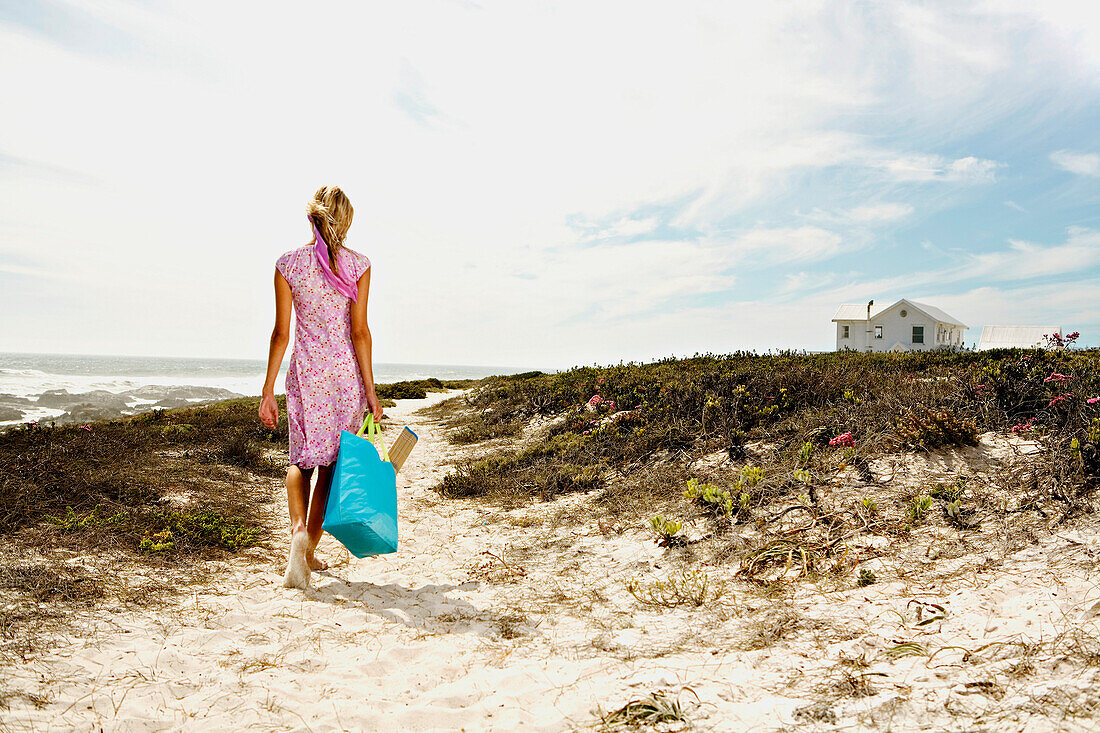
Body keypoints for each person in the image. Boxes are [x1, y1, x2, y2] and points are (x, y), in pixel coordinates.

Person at [258, 185, 383, 589]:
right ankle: (309, 547)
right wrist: (371, 392)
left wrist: (267, 390)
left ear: (310, 218)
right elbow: (360, 332)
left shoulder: (287, 265)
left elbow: (281, 333)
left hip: (306, 373)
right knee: (330, 464)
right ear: (346, 221)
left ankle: (297, 532)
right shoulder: (359, 266)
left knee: (301, 461)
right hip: (344, 377)